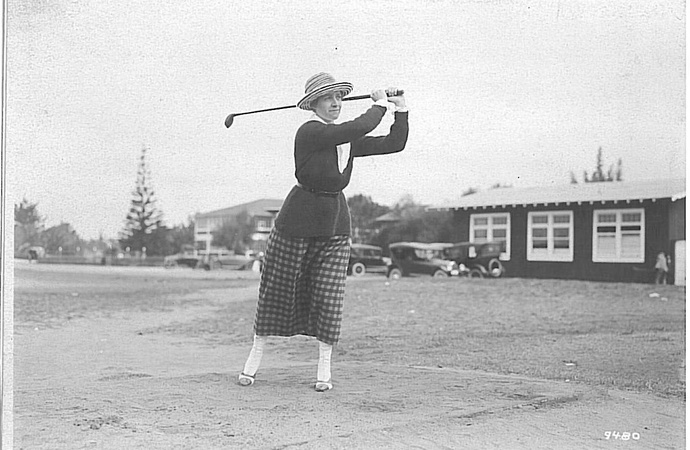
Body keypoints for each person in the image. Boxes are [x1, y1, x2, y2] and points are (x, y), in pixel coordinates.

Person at [238, 72, 409, 391]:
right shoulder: (310, 131)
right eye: (329, 98)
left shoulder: (346, 137)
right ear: (314, 103)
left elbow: (393, 143)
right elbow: (358, 126)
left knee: (329, 296)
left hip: (335, 221)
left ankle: (324, 370)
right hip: (298, 219)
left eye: (340, 98)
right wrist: (379, 105)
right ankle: (254, 358)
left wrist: (400, 110)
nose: (336, 103)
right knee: (278, 290)